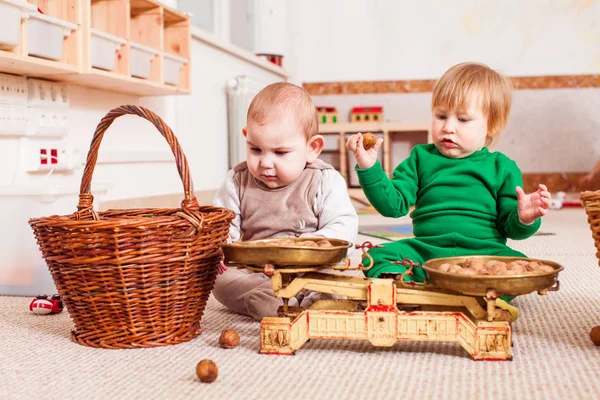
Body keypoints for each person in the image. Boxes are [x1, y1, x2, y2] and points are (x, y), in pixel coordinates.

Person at [346, 62, 551, 319]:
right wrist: (369, 167)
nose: (448, 127)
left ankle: (476, 294)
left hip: (484, 255)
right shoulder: (420, 158)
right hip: (428, 251)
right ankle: (408, 288)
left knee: (520, 266)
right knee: (373, 258)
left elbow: (511, 228)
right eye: (441, 116)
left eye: (463, 119)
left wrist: (524, 217)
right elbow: (393, 205)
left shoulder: (503, 167)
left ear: (491, 126)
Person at [213, 82, 359, 321]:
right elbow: (221, 225)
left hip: (312, 267)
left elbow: (344, 225)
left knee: (352, 264)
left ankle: (318, 297)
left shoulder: (324, 180)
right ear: (246, 138)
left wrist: (317, 242)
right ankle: (273, 300)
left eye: (280, 153)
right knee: (218, 279)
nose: (266, 163)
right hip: (259, 272)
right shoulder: (237, 181)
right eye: (256, 149)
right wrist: (222, 242)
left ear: (312, 148)